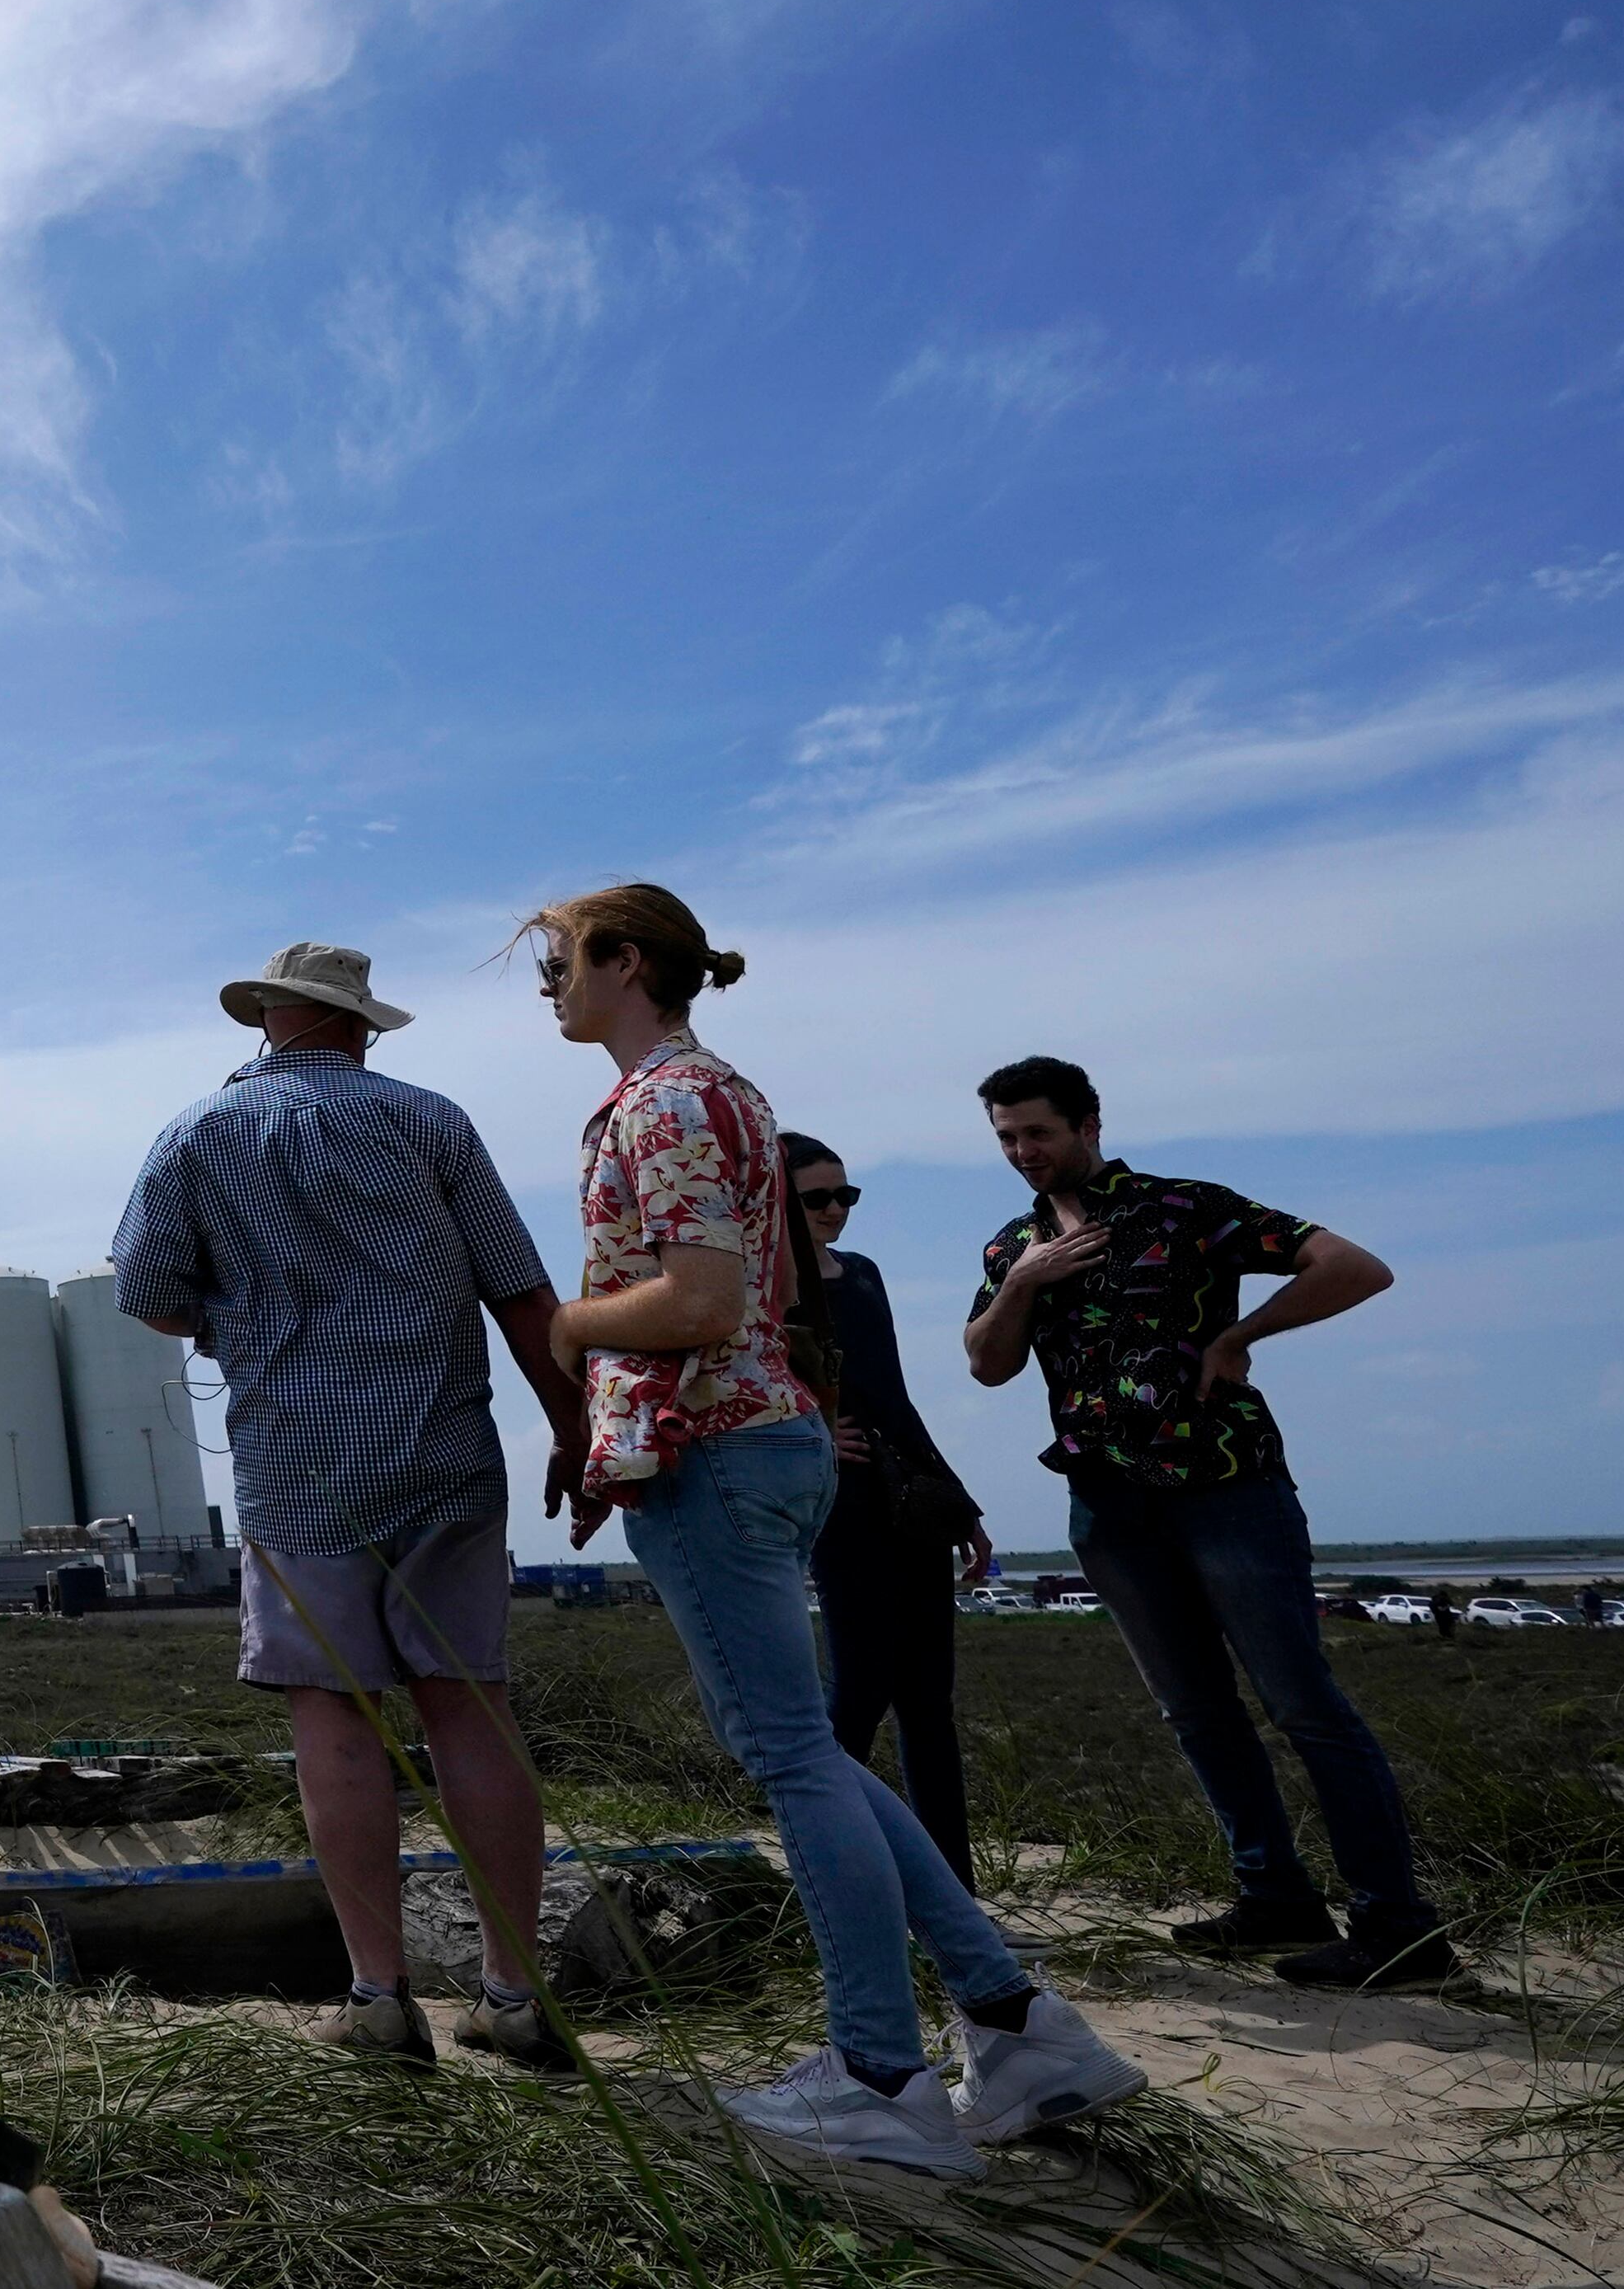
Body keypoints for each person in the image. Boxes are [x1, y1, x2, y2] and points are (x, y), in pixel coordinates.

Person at [535, 886, 1138, 2173]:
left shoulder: (670, 1101)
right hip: (758, 1440)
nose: (549, 987)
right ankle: (1018, 2025)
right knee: (814, 1749)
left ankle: (879, 2073)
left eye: (560, 962)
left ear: (626, 961)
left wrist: (569, 1329)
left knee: (794, 1760)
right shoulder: (724, 1094)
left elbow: (698, 1300)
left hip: (715, 1449)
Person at [111, 941, 580, 2072]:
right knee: (471, 1707)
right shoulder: (433, 1123)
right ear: (363, 1026)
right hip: (445, 1452)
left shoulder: (197, 1134)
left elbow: (145, 1290)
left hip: (299, 1463)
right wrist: (576, 1426)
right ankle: (514, 1997)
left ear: (267, 1018)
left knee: (335, 1720)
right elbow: (521, 1292)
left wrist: (246, 1309)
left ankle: (380, 1998)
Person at [959, 1056, 1446, 1986]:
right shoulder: (1008, 1246)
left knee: (1304, 1707)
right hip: (1105, 1501)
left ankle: (1399, 1928)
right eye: (1006, 1138)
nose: (1023, 1152)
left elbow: (1353, 1267)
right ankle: (1273, 1898)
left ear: (1087, 1125)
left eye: (1038, 1134)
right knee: (1194, 1711)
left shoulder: (1184, 1209)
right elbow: (986, 1365)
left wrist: (1239, 1335)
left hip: (1222, 1483)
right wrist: (1020, 1282)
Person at [784, 1130, 993, 1887]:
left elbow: (894, 1395)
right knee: (860, 1690)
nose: (837, 1209)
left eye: (847, 1195)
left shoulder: (863, 1274)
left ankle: (952, 1891)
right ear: (775, 1197)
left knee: (928, 1701)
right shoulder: (758, 1281)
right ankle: (835, 1879)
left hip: (906, 1498)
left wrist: (958, 1503)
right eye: (818, 1197)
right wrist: (806, 1432)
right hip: (837, 1504)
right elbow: (732, 1383)